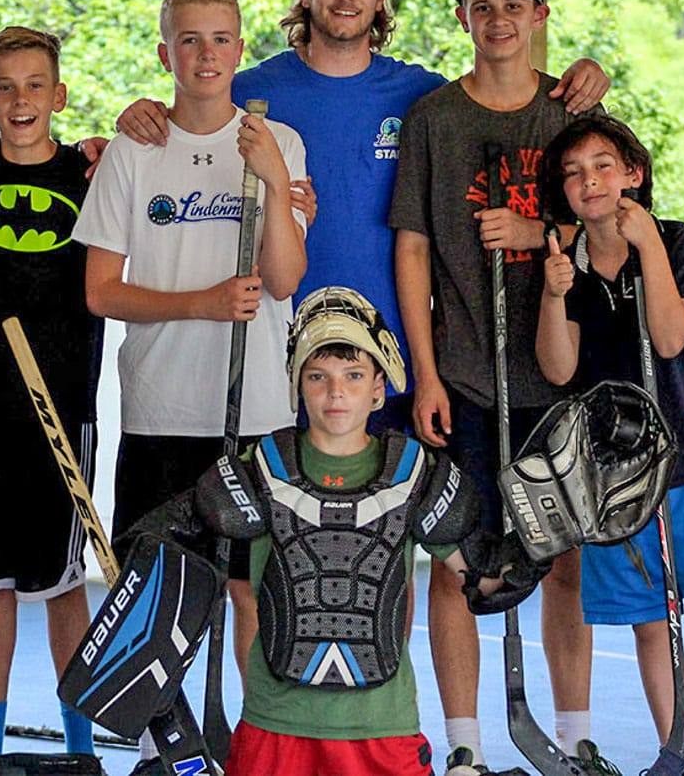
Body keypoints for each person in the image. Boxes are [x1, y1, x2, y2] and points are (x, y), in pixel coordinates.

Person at [115, 0, 609, 433]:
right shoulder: (250, 92)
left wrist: (586, 72)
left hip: (390, 359)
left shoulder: (422, 98)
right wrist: (132, 119)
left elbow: (497, 95)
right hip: (279, 357)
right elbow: (183, 124)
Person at [389, 0, 615, 775]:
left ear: (540, 17)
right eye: (482, 6)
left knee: (564, 562)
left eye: (514, 5)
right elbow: (412, 250)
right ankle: (465, 745)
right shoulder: (435, 121)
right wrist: (425, 373)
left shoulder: (568, 119)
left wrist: (538, 234)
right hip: (468, 378)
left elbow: (612, 225)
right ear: (464, 18)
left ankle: (576, 732)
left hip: (559, 381)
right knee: (457, 563)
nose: (499, 19)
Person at [72, 0, 307, 768]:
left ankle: (257, 742)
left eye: (221, 38)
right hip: (161, 408)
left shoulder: (279, 141)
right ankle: (160, 749)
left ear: (241, 48)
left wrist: (273, 177)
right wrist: (202, 302)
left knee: (253, 589)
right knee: (162, 592)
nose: (206, 54)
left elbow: (283, 278)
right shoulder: (136, 150)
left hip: (257, 411)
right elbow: (101, 289)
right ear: (165, 50)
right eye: (190, 39)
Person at [223, 287, 544, 776]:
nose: (335, 392)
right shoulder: (256, 468)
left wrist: (546, 535)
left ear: (378, 388)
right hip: (276, 723)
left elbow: (482, 583)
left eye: (353, 376)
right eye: (318, 377)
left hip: (380, 728)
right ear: (297, 385)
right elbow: (169, 567)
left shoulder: (417, 474)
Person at [536, 115, 684, 776]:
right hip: (616, 471)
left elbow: (672, 336)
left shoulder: (675, 239)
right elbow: (560, 369)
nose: (588, 181)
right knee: (652, 624)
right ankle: (679, 750)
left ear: (633, 174)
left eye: (602, 166)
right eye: (572, 172)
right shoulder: (564, 257)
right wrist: (553, 291)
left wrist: (647, 245)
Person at [0, 26, 102, 761]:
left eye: (36, 85)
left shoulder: (91, 169)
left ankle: (79, 747)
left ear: (59, 96)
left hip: (64, 403)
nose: (21, 99)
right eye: (6, 86)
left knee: (64, 585)